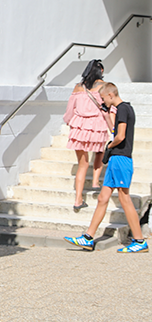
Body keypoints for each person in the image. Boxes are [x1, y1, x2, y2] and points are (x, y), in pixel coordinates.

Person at [65, 82, 148, 253]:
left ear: (111, 95)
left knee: (124, 199)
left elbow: (120, 136)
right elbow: (114, 129)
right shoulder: (122, 110)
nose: (103, 101)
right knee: (103, 198)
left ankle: (139, 241)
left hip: (121, 159)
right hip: (116, 160)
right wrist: (107, 114)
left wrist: (109, 147)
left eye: (104, 98)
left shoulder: (123, 109)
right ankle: (88, 238)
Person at [63, 60, 112, 210]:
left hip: (79, 126)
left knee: (82, 165)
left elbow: (70, 109)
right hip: (97, 125)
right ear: (101, 71)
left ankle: (78, 200)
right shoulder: (104, 86)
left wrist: (68, 121)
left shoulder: (78, 87)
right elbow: (109, 106)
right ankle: (96, 181)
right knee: (99, 151)